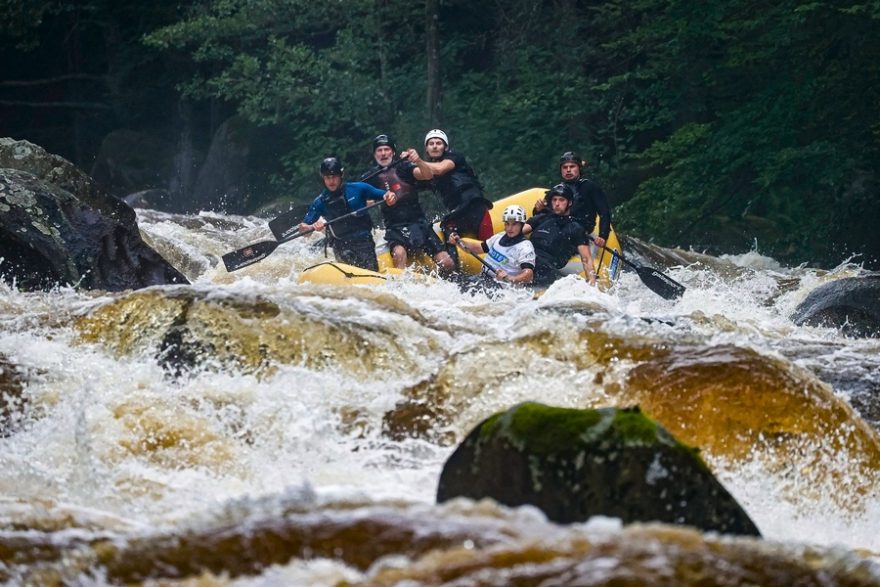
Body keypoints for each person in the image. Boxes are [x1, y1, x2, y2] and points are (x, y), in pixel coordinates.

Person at [361, 134, 454, 272]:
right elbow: (366, 203)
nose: (383, 154)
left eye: (386, 149)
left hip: (419, 223)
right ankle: (401, 287)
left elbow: (427, 175)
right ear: (374, 154)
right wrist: (381, 198)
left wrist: (418, 161)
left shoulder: (404, 167)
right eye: (379, 150)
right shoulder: (370, 177)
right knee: (399, 254)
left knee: (446, 262)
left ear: (393, 152)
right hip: (395, 228)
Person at [299, 156, 396, 271]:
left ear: (341, 175)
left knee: (370, 271)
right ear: (323, 178)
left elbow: (386, 194)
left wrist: (390, 196)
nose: (331, 181)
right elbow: (303, 230)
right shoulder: (320, 202)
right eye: (327, 177)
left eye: (334, 176)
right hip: (341, 246)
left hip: (364, 243)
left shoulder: (359, 189)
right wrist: (311, 227)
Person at [417, 129, 494, 242]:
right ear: (427, 149)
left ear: (446, 147)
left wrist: (417, 161)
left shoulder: (454, 156)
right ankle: (454, 256)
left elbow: (440, 169)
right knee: (446, 228)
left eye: (439, 143)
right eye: (431, 144)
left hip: (475, 207)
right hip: (457, 214)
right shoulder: (426, 173)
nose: (435, 146)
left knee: (489, 244)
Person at [523, 182, 597, 287]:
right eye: (554, 200)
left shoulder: (576, 228)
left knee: (540, 267)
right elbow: (518, 231)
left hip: (546, 269)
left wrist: (592, 283)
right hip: (527, 259)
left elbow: (586, 258)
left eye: (561, 200)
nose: (557, 204)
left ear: (569, 203)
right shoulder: (542, 217)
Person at [534, 151, 612, 247]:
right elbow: (542, 216)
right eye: (565, 167)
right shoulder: (556, 190)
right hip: (559, 230)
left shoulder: (589, 187)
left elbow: (604, 212)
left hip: (581, 233)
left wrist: (603, 236)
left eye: (572, 167)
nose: (568, 170)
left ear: (579, 168)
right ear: (561, 170)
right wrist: (538, 209)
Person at [449, 204, 535, 285]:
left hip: (501, 287)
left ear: (522, 225)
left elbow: (529, 275)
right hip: (483, 279)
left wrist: (510, 278)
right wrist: (459, 241)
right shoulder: (500, 236)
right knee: (453, 282)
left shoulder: (525, 247)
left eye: (514, 224)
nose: (509, 228)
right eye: (507, 224)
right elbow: (478, 248)